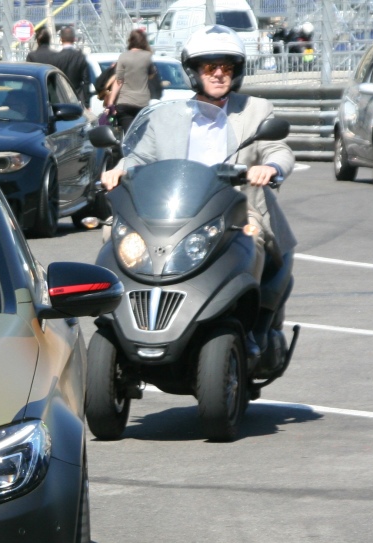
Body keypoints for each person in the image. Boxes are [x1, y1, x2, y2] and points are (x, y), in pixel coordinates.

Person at [101, 26, 295, 345]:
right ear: (194, 72)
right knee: (114, 233)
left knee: (254, 239)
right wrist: (118, 171)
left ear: (237, 72)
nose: (219, 74)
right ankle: (115, 315)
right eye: (209, 66)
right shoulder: (167, 117)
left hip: (237, 211)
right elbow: (139, 156)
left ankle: (252, 326)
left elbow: (279, 149)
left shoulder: (256, 110)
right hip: (174, 210)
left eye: (227, 67)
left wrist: (269, 167)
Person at [105, 29, 157, 131]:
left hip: (124, 102)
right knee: (140, 136)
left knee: (128, 135)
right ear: (143, 41)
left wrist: (110, 103)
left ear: (130, 40)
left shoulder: (123, 56)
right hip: (142, 103)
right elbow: (151, 75)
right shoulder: (147, 56)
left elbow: (118, 81)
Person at [52, 26, 90, 100]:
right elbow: (86, 81)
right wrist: (87, 103)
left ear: (61, 39)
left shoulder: (55, 58)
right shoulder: (81, 57)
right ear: (74, 39)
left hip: (61, 98)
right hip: (78, 97)